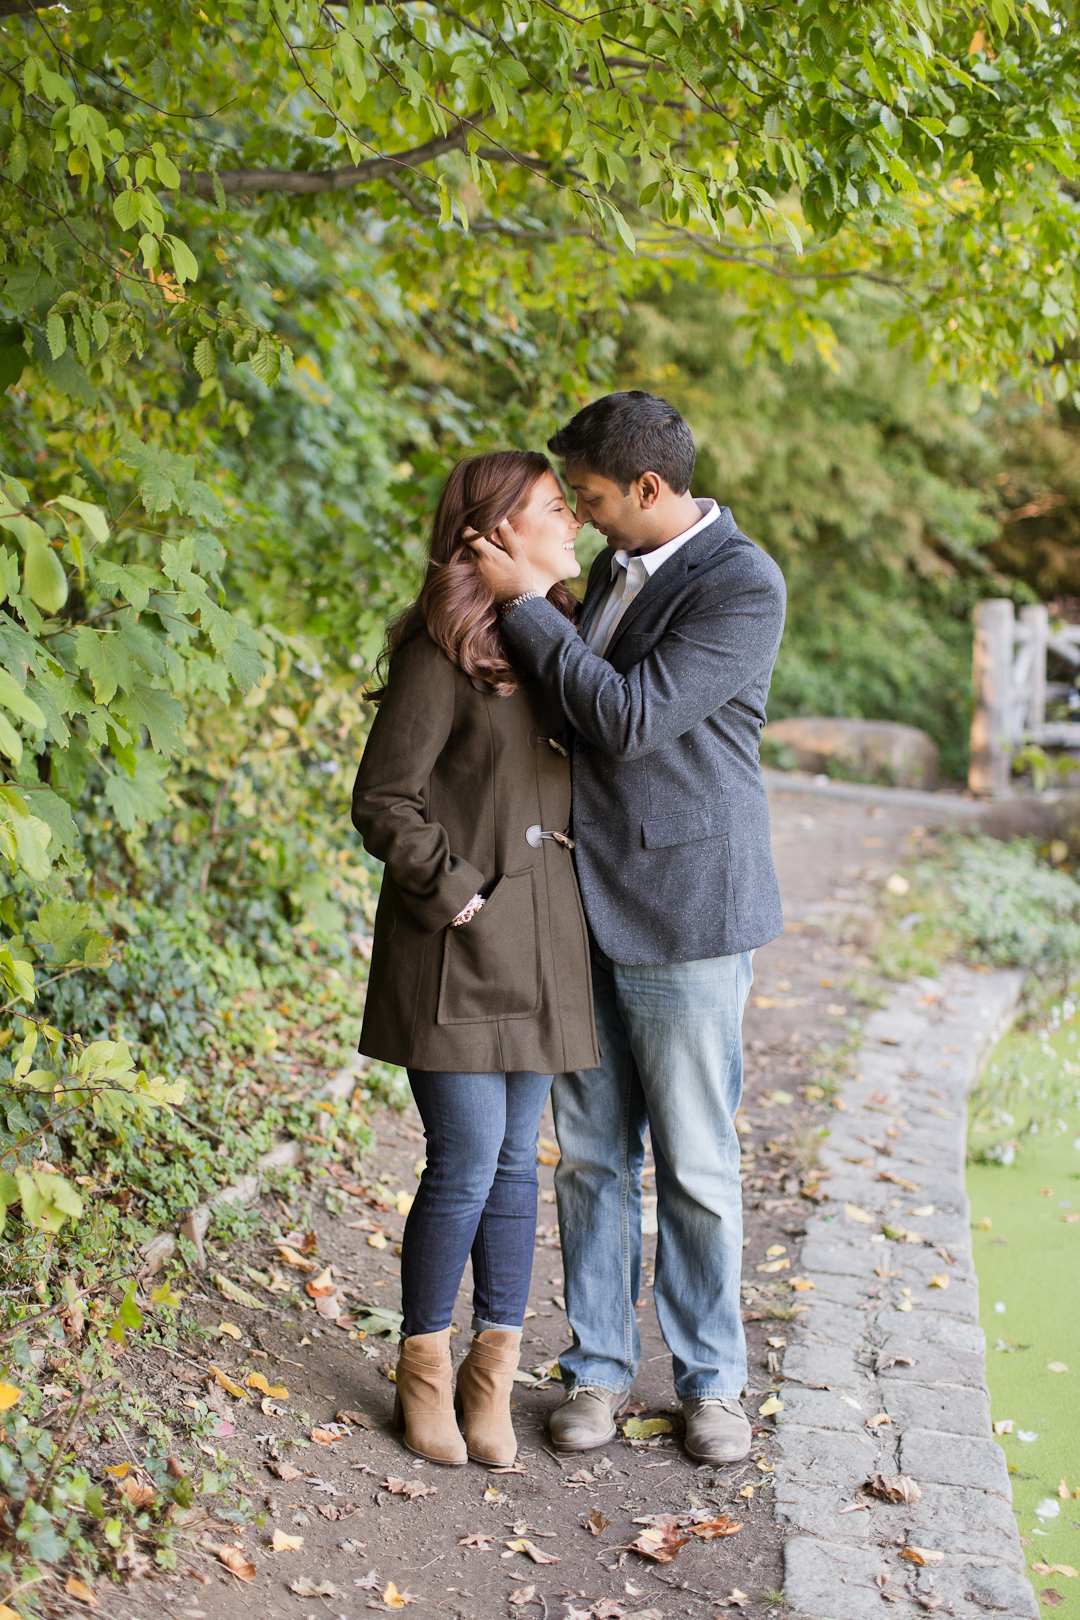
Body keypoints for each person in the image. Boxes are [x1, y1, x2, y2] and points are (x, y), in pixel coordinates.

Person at [468, 391, 786, 1466]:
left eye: (597, 497)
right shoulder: (610, 571)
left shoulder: (742, 585)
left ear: (651, 489)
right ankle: (597, 1369)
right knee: (593, 1157)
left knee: (696, 1163)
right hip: (578, 903)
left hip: (690, 910)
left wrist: (526, 607)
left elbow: (628, 718)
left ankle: (711, 1385)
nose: (590, 517)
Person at [351, 450, 599, 1469]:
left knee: (513, 1169)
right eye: (551, 509)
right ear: (494, 531)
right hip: (454, 951)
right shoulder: (437, 652)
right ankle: (421, 1371)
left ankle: (490, 1376)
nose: (572, 522)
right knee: (462, 1161)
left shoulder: (566, 638)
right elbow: (385, 800)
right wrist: (459, 897)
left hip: (546, 953)